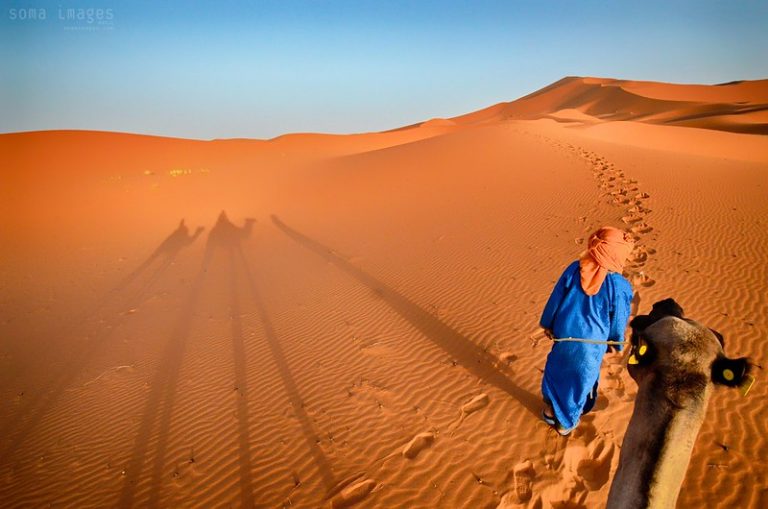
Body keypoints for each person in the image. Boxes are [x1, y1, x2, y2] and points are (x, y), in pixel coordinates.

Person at [539, 226, 634, 435]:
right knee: (581, 379)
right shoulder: (620, 285)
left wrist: (548, 323)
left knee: (557, 367)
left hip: (564, 334)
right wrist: (616, 341)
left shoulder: (574, 268)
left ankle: (550, 408)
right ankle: (565, 422)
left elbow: (556, 299)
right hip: (591, 344)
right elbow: (619, 318)